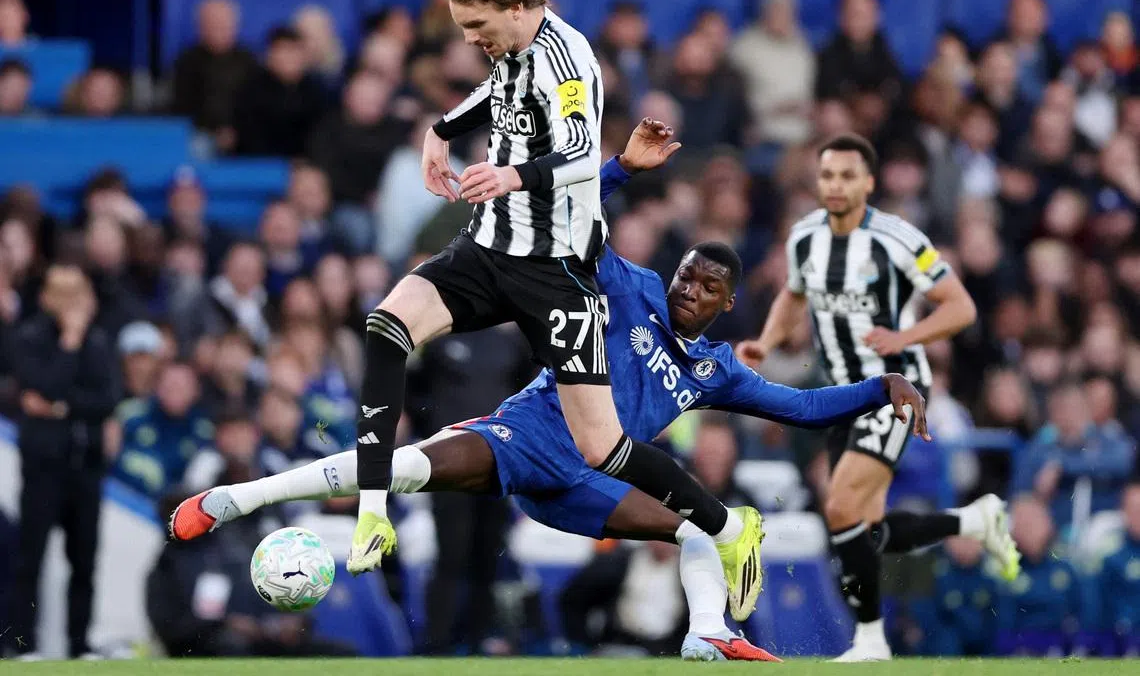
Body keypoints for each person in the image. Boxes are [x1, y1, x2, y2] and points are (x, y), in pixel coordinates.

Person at [172, 122, 944, 660]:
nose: (689, 289)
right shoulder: (631, 286)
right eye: (686, 276)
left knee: (696, 529)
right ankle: (240, 498)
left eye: (707, 287)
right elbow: (574, 218)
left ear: (726, 303)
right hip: (530, 433)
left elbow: (801, 407)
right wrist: (623, 169)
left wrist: (880, 387)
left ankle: (707, 633)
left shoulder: (718, 371)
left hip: (587, 481)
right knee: (405, 467)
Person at [346, 0, 763, 617]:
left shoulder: (569, 58)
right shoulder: (511, 47)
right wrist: (439, 130)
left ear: (516, 7)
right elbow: (498, 92)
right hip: (489, 249)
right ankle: (373, 511)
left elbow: (578, 148)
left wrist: (512, 174)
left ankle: (728, 527)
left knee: (603, 449)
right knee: (386, 326)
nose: (470, 40)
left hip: (558, 273)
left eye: (477, 25)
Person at [735, 132, 1016, 662]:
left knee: (841, 506)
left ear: (868, 182)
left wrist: (904, 336)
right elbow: (793, 295)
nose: (835, 185)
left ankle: (869, 640)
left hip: (897, 388)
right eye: (827, 175)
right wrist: (766, 343)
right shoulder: (804, 237)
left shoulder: (898, 238)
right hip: (841, 395)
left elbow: (960, 307)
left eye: (846, 176)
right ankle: (974, 521)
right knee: (864, 527)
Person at [5, 264, 119, 659]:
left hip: (86, 465)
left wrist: (60, 408)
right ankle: (22, 643)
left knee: (84, 560)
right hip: (43, 467)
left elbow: (107, 400)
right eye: (64, 294)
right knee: (30, 559)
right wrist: (69, 343)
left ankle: (79, 644)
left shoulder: (99, 341)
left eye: (78, 293)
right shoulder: (28, 337)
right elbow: (42, 384)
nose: (73, 303)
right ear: (47, 298)